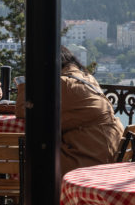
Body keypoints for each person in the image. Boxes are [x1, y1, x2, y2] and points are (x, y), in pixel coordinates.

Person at [16, 47, 124, 180]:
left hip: (87, 161)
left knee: (26, 159)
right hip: (105, 150)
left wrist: (24, 82)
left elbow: (22, 109)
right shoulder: (86, 78)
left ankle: (14, 194)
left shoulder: (65, 83)